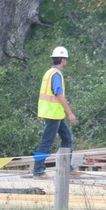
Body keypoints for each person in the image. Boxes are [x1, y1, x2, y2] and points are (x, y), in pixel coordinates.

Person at [31, 46, 77, 179]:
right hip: (53, 114)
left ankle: (66, 167)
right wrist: (70, 113)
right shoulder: (56, 75)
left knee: (67, 138)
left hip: (54, 113)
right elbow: (59, 95)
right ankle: (38, 171)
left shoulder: (49, 72)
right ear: (63, 60)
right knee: (46, 142)